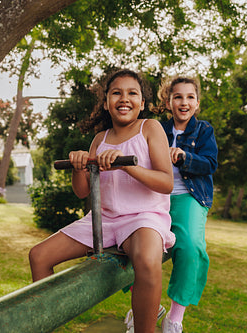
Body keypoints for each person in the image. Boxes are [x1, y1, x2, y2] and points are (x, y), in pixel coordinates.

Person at [29, 68, 175, 333]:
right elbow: (83, 191)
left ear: (142, 103)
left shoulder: (150, 128)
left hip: (143, 217)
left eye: (133, 93)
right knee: (39, 256)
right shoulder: (100, 139)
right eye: (116, 93)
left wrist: (126, 165)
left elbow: (166, 183)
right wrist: (79, 166)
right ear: (106, 102)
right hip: (103, 219)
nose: (124, 98)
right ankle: (49, 323)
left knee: (147, 260)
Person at [156, 76, 218, 333]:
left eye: (190, 97)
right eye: (178, 97)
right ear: (168, 101)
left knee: (191, 248)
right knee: (130, 247)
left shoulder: (204, 131)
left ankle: (173, 319)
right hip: (155, 198)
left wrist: (185, 156)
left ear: (197, 103)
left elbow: (210, 163)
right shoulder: (155, 129)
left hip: (189, 198)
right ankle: (146, 309)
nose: (184, 102)